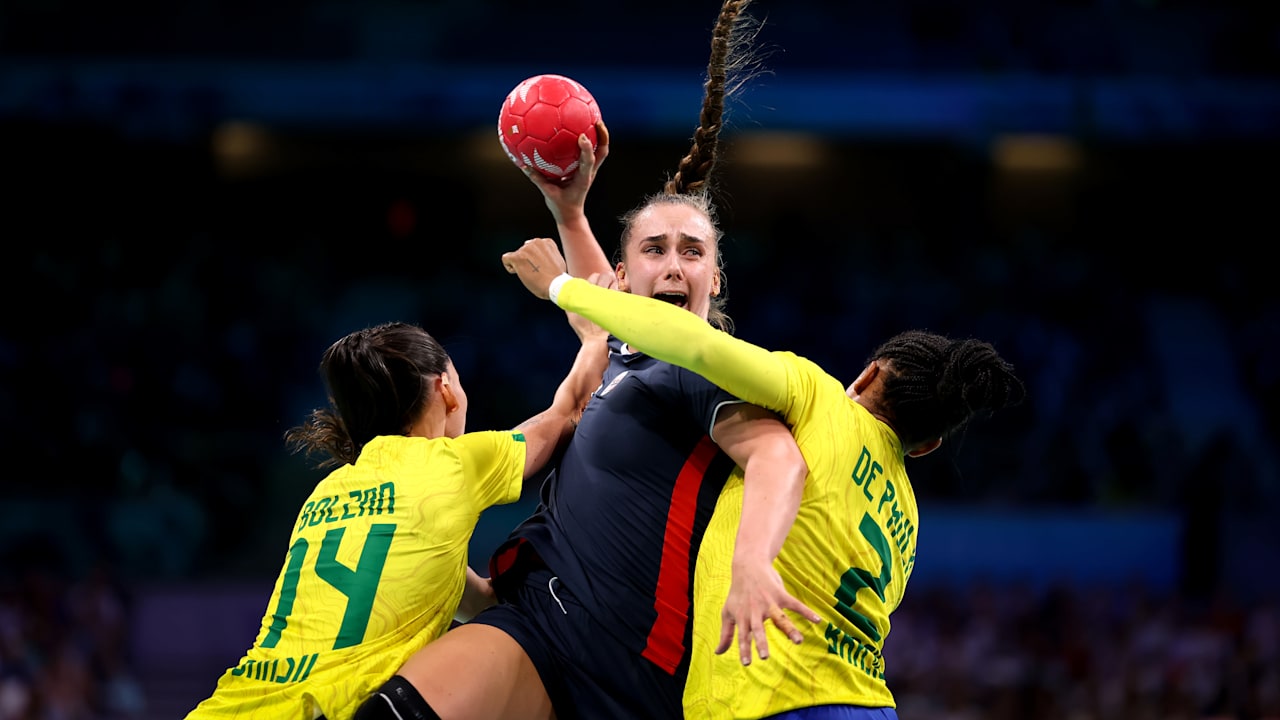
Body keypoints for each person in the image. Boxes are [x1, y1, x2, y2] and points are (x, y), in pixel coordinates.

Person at [350, 1, 818, 719]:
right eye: (654, 250)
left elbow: (778, 456)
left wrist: (754, 560)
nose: (674, 263)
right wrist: (568, 211)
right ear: (625, 280)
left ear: (715, 280)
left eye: (693, 252)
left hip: (621, 666)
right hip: (531, 617)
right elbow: (597, 320)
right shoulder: (624, 358)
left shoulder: (705, 372)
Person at [503, 236, 1028, 720]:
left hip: (775, 698)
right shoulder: (907, 517)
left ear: (867, 375)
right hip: (869, 704)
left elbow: (694, 345)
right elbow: (626, 348)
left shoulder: (818, 397)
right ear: (927, 446)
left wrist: (561, 287)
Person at [183, 318, 608, 720]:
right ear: (446, 390)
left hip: (230, 704)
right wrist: (593, 338)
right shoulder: (453, 464)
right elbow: (570, 411)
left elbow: (446, 584)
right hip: (331, 706)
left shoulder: (330, 490)